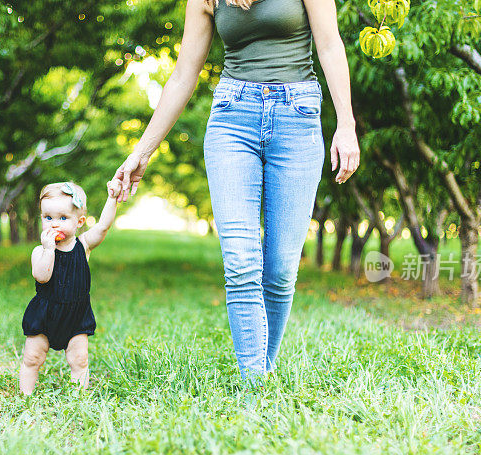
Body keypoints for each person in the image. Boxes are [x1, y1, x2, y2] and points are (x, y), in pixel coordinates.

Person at [113, 0, 360, 379]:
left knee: (279, 271)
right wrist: (142, 151)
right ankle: (254, 386)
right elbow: (183, 74)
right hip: (233, 118)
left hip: (298, 117)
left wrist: (346, 125)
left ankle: (264, 370)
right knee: (242, 262)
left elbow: (329, 44)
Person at [19, 179, 123, 393]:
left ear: (79, 222)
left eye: (63, 218)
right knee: (32, 357)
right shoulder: (40, 251)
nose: (54, 223)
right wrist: (48, 250)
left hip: (76, 315)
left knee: (79, 360)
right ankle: (26, 395)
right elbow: (42, 277)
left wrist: (112, 199)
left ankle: (78, 398)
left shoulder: (83, 245)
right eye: (48, 218)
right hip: (46, 313)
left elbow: (103, 227)